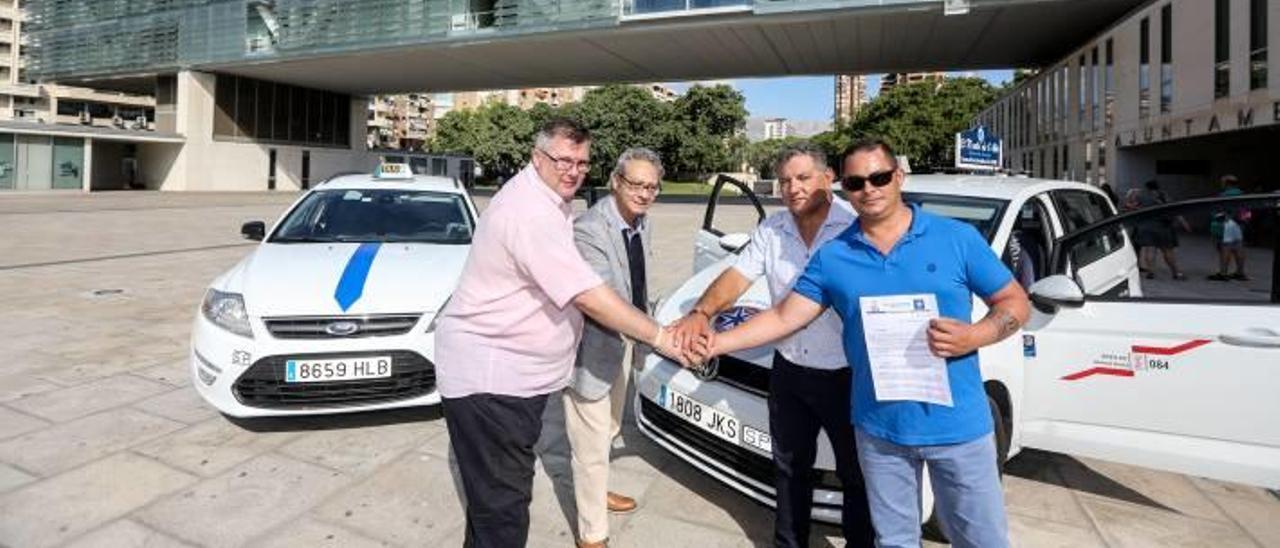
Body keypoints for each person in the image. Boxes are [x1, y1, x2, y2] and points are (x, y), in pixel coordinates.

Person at [692, 139, 1031, 548]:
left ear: (898, 177)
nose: (868, 189)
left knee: (980, 539)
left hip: (957, 429)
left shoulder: (956, 238)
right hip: (880, 432)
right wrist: (713, 342)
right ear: (846, 189)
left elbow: (1015, 302)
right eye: (857, 182)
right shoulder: (833, 256)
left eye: (879, 177)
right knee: (893, 541)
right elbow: (784, 317)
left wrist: (977, 334)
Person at [432, 119, 687, 548]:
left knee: (493, 507)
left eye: (581, 163)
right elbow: (590, 294)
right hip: (494, 382)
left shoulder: (546, 199)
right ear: (537, 157)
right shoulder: (530, 212)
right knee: (503, 513)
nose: (573, 170)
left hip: (512, 377)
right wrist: (662, 337)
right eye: (563, 160)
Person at [668, 143, 875, 547]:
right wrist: (701, 313)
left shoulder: (856, 229)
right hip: (790, 371)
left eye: (803, 178)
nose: (792, 188)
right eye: (785, 181)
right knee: (789, 468)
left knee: (857, 475)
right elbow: (736, 277)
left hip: (847, 376)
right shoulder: (773, 229)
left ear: (828, 178)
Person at [566, 148, 663, 548]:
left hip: (621, 345)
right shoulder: (588, 228)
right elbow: (606, 297)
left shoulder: (643, 224)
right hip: (588, 350)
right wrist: (659, 334)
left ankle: (596, 491)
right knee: (588, 447)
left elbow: (641, 287)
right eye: (636, 184)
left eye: (653, 186)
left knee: (607, 430)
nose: (645, 193)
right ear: (615, 181)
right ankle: (592, 535)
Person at [1133, 180, 1189, 280]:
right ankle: (1176, 273)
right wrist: (1184, 223)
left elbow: (1133, 207)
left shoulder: (1141, 196)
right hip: (1163, 227)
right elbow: (1174, 210)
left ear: (1147, 187)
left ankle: (1150, 271)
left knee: (1150, 250)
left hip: (1146, 227)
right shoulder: (1163, 196)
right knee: (1167, 251)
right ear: (1158, 187)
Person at [1209, 174, 1249, 281]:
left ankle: (1223, 273)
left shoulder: (1223, 195)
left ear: (1227, 184)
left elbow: (1216, 211)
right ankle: (1240, 272)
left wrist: (1216, 218)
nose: (1221, 184)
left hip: (1227, 223)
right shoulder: (1243, 194)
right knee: (1239, 247)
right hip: (1240, 224)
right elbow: (1247, 212)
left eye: (1222, 182)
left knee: (1225, 248)